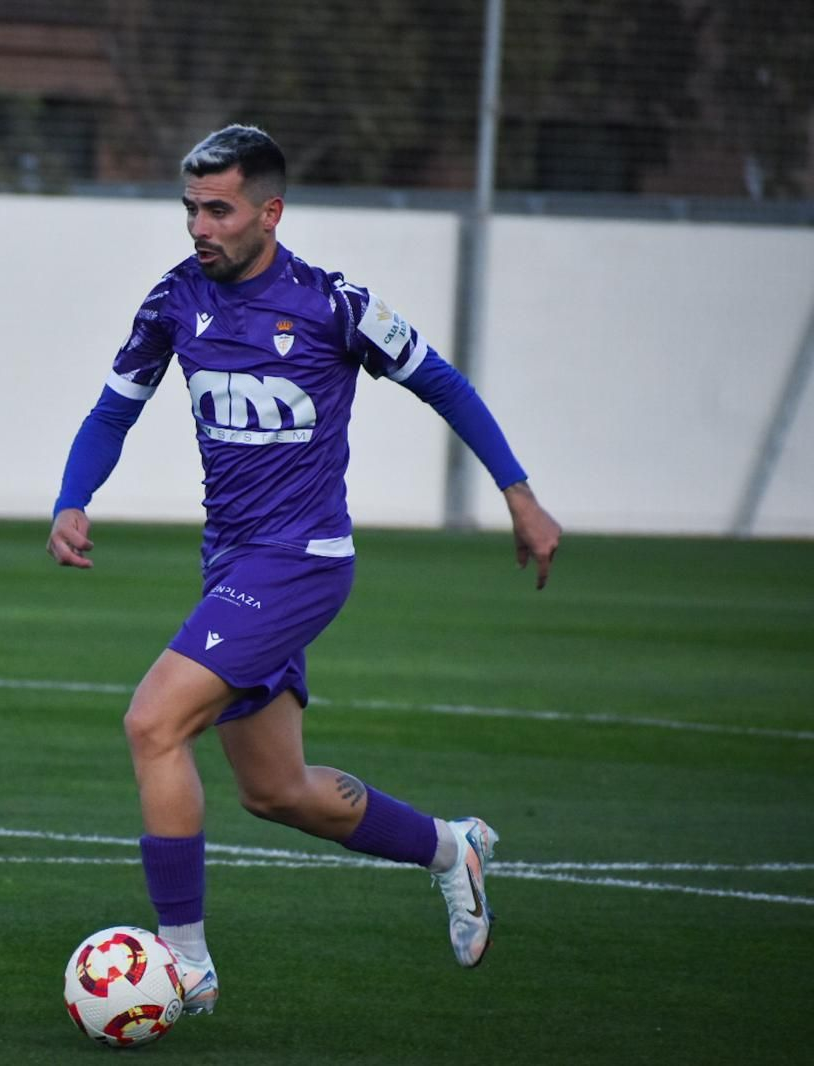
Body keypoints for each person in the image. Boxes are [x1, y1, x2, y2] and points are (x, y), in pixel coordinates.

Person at [46, 125, 562, 1014]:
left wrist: (520, 494)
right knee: (276, 791)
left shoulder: (334, 306)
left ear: (270, 212)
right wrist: (72, 498)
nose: (199, 227)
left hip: (302, 561)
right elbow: (112, 410)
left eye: (219, 210)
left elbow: (444, 384)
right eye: (190, 209)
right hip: (231, 565)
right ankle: (452, 848)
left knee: (152, 723)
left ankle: (185, 964)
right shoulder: (174, 300)